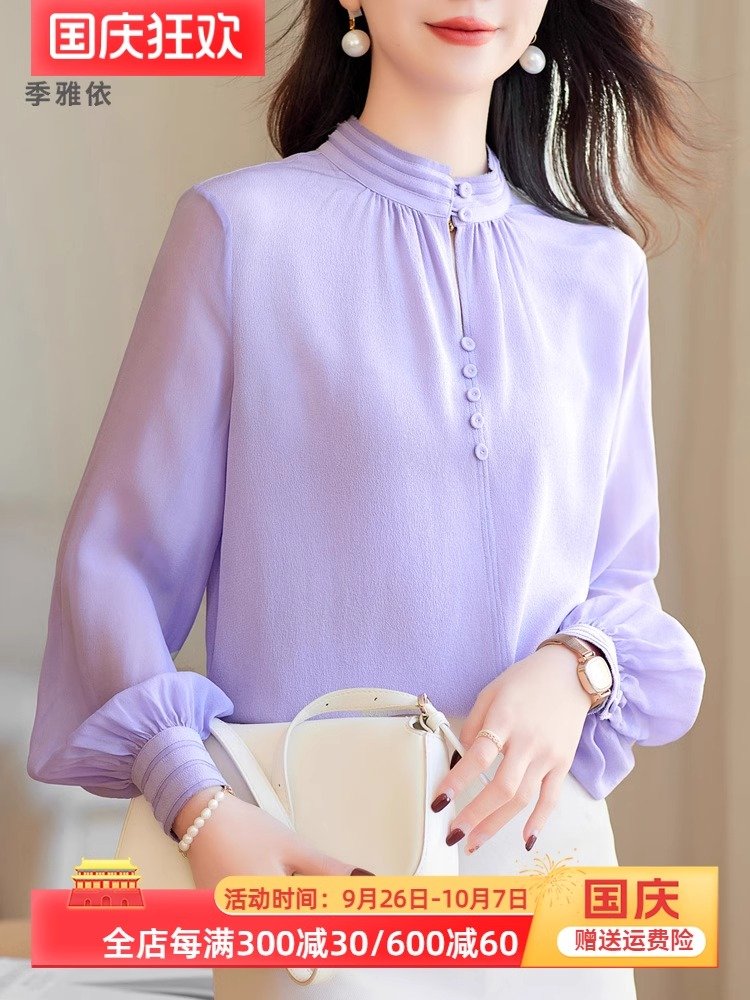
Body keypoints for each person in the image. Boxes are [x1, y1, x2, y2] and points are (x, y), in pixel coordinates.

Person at [27, 1, 711, 996]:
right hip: (307, 874)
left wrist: (580, 668)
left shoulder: (602, 275)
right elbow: (115, 564)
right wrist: (199, 804)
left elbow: (621, 585)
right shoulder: (240, 232)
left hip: (541, 890)